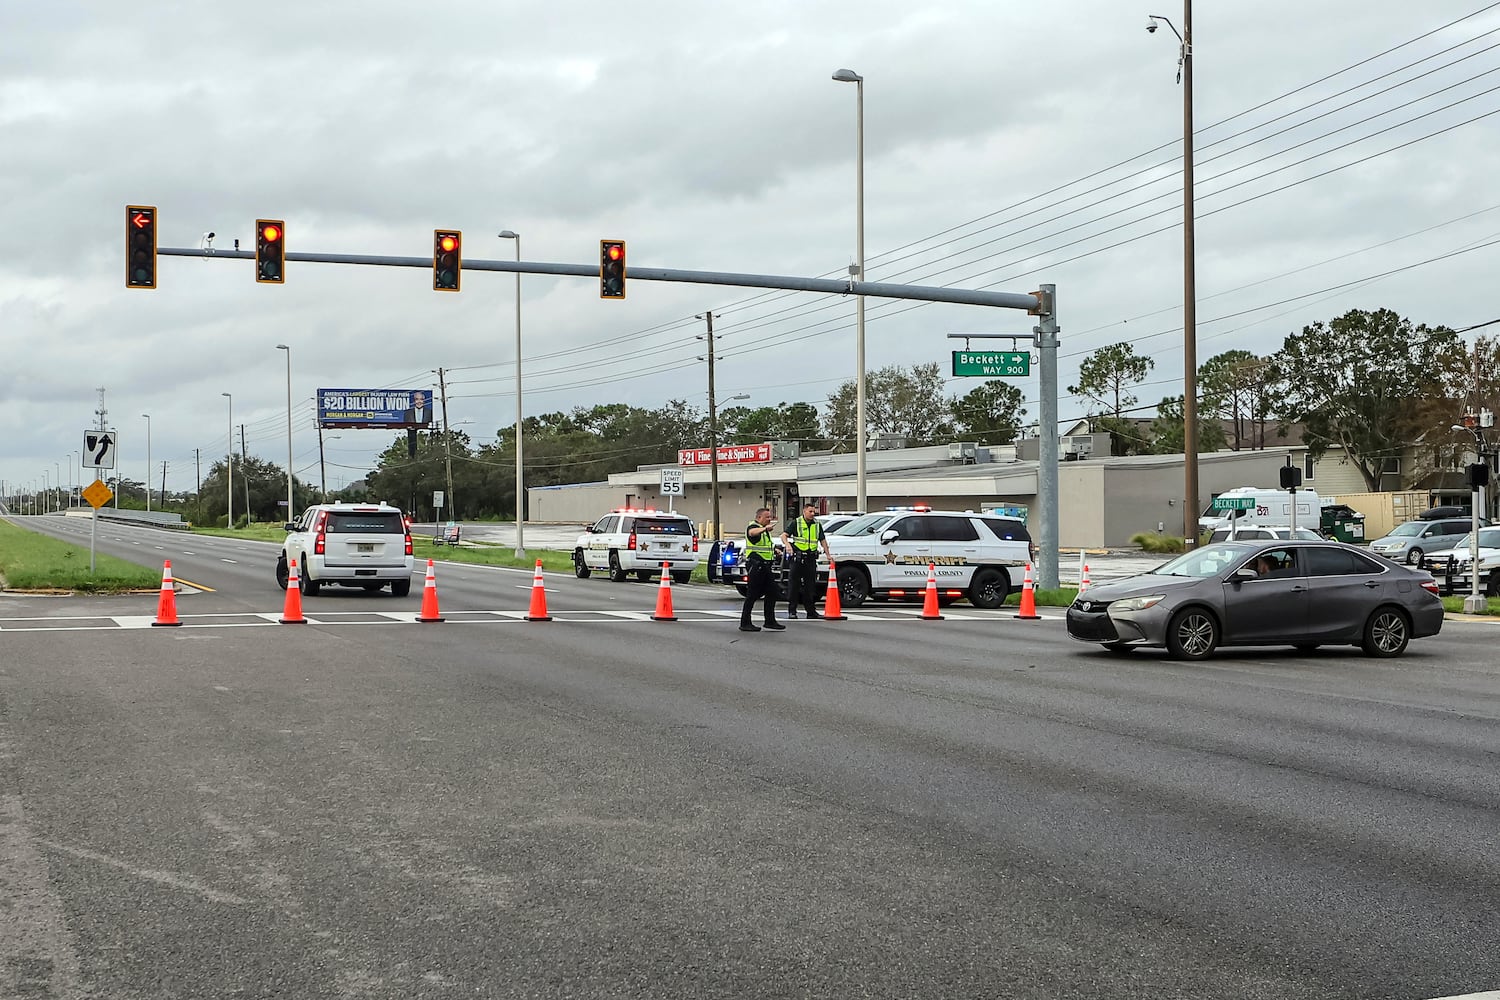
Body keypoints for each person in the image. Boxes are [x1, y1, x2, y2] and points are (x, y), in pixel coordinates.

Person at [781, 501, 832, 619]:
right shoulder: (796, 523)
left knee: (810, 586)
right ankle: (792, 611)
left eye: (814, 511)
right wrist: (788, 545)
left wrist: (828, 554)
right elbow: (784, 535)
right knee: (794, 586)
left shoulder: (817, 524)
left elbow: (822, 540)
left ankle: (811, 611)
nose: (812, 514)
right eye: (810, 511)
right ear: (804, 511)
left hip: (810, 558)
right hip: (798, 558)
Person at [739, 507, 785, 633]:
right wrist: (765, 528)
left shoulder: (765, 531)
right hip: (756, 565)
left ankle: (770, 621)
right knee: (752, 595)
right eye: (767, 517)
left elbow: (764, 545)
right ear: (759, 518)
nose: (769, 519)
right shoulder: (753, 527)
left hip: (765, 566)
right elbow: (752, 533)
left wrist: (775, 550)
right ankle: (745, 622)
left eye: (770, 517)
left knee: (772, 592)